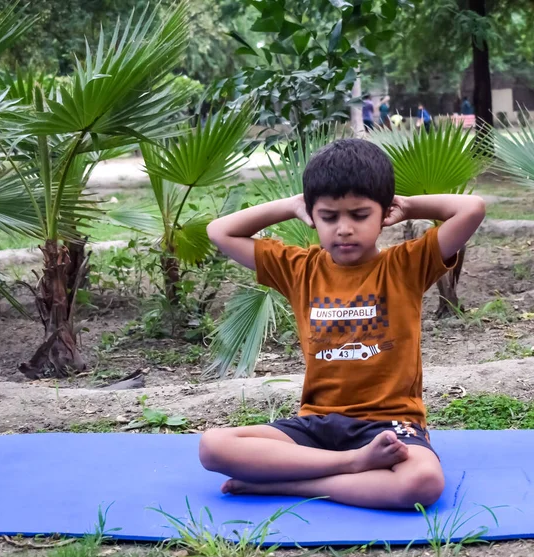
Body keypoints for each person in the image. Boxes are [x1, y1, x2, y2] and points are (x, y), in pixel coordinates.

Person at [200, 139, 485, 510]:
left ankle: (290, 485)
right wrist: (290, 205)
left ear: (384, 214)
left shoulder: (406, 265)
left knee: (423, 482)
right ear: (312, 216)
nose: (344, 229)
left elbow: (472, 208)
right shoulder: (298, 269)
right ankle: (352, 466)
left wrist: (409, 204)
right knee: (213, 447)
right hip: (316, 425)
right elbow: (219, 231)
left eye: (360, 215)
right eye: (329, 217)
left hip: (388, 426)